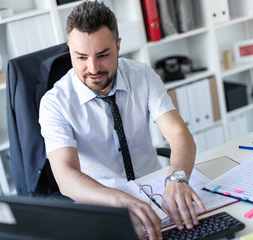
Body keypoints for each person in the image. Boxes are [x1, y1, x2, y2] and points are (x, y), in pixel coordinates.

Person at [39, 1, 205, 239]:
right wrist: (118, 198)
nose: (93, 68)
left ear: (118, 46)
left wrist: (177, 177)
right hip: (102, 204)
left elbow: (179, 135)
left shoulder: (143, 76)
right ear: (70, 51)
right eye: (81, 57)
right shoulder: (55, 103)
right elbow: (65, 175)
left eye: (103, 55)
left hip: (158, 194)